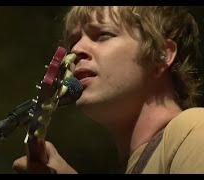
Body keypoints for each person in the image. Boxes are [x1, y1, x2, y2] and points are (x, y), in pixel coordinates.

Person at [12, 6, 204, 173]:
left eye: (103, 35)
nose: (76, 50)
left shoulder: (194, 129)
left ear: (161, 55)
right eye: (73, 41)